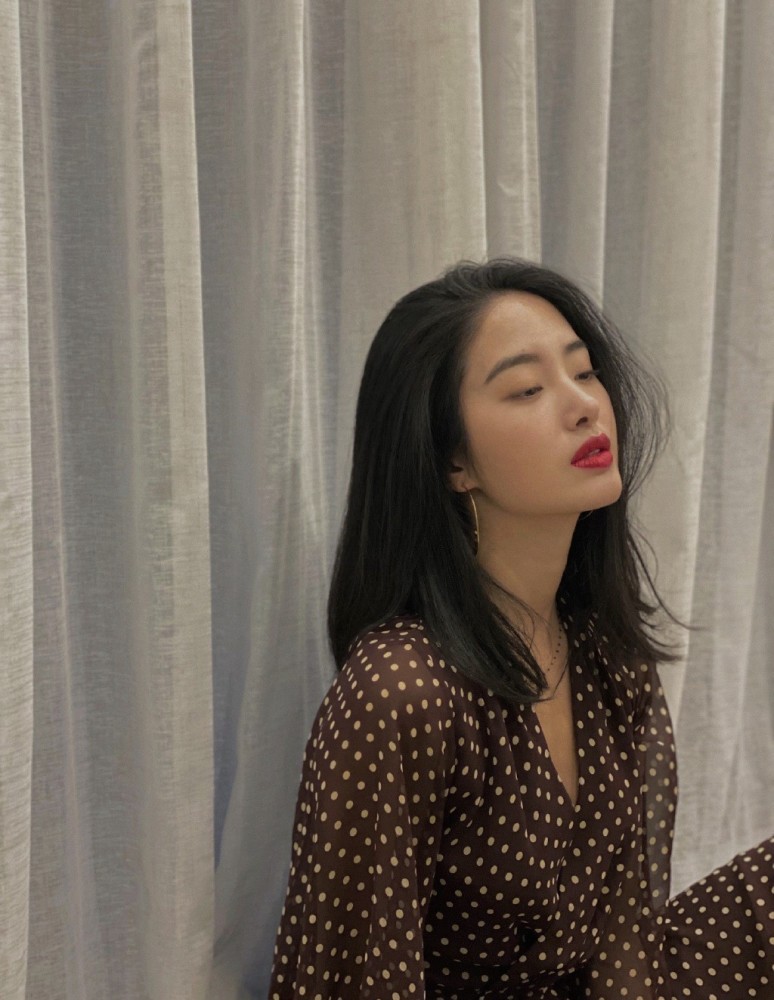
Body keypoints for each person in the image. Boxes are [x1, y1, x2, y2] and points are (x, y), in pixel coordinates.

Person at [267, 258, 773, 999]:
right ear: (453, 461)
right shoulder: (399, 692)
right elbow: (350, 980)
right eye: (529, 389)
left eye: (585, 372)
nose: (585, 406)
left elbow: (625, 937)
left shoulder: (603, 653)